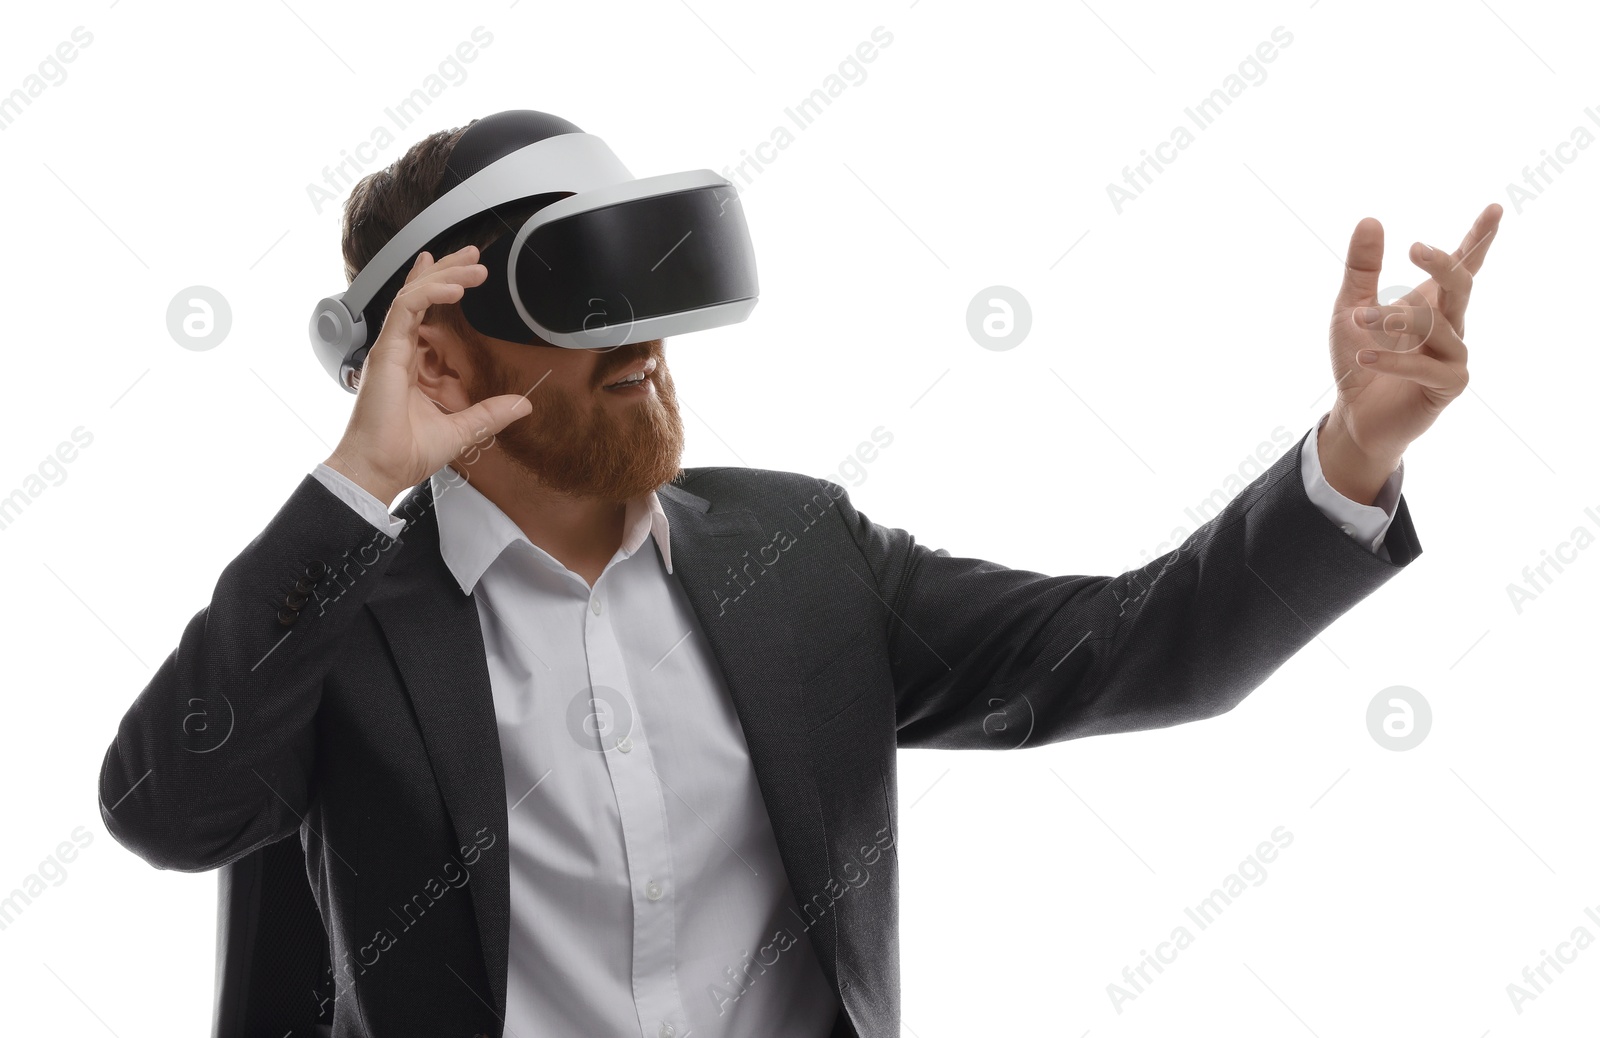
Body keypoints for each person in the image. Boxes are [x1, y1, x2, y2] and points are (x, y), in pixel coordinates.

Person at [97, 114, 1502, 1038]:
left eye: (650, 281)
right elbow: (167, 806)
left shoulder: (794, 554)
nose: (643, 334)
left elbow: (1133, 648)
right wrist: (357, 485)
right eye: (587, 295)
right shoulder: (341, 619)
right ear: (439, 353)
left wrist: (1351, 452)